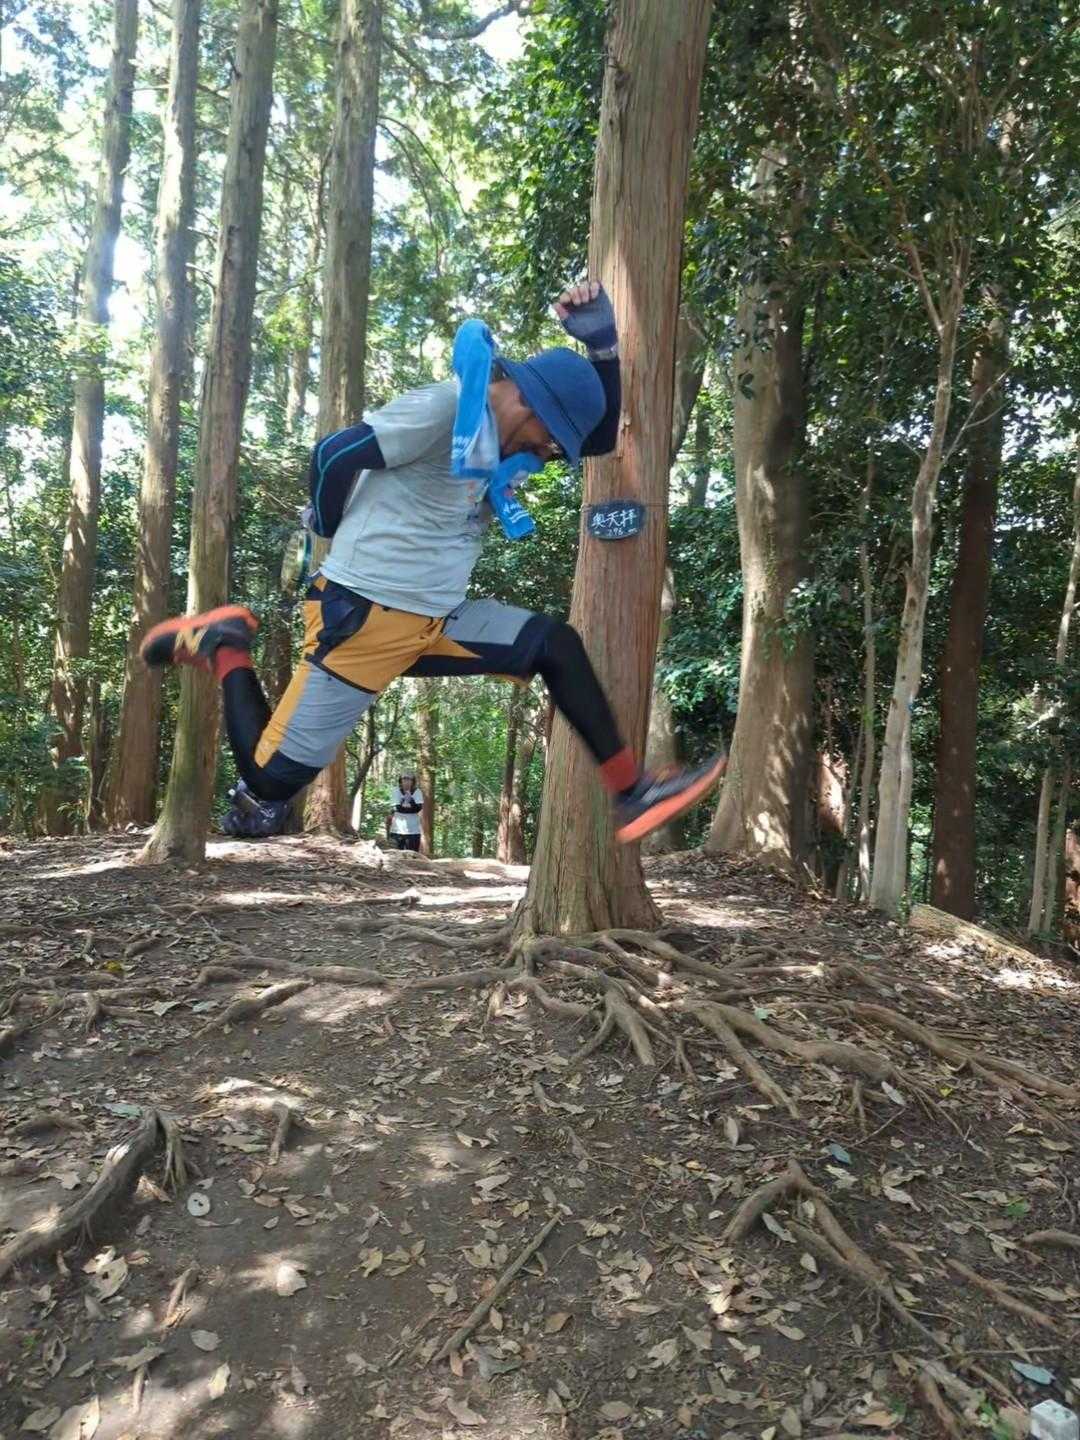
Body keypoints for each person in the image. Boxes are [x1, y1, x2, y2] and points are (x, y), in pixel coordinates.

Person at [140, 280, 725, 845]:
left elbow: (596, 439)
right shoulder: (445, 410)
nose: (547, 453)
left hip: (438, 618)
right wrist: (327, 531)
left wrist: (603, 349)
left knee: (555, 645)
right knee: (271, 781)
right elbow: (335, 454)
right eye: (548, 439)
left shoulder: (507, 438)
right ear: (525, 400)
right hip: (365, 617)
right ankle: (226, 645)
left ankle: (631, 792)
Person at [386, 772, 423, 852]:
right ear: (401, 781)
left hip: (413, 830)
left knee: (413, 855)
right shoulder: (396, 791)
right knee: (395, 854)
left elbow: (418, 808)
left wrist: (409, 803)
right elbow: (396, 808)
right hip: (397, 830)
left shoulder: (417, 791)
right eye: (404, 779)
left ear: (413, 781)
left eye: (409, 779)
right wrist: (409, 806)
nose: (407, 781)